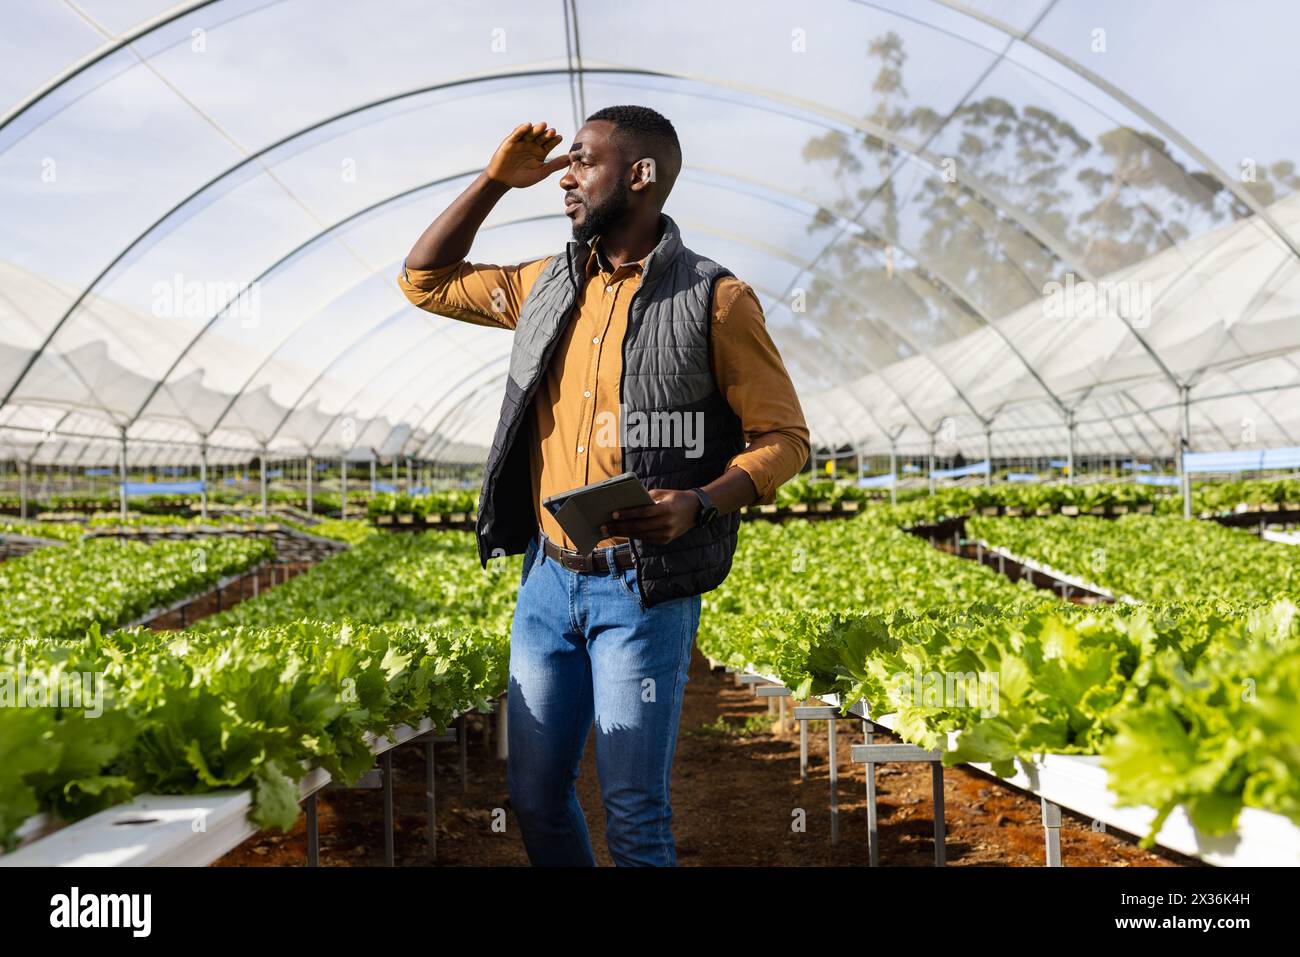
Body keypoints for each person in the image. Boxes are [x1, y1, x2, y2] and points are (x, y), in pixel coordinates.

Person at [399, 106, 809, 866]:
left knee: (635, 811)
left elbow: (786, 440)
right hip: (547, 581)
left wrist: (702, 501)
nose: (566, 177)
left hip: (642, 590)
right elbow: (423, 280)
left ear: (642, 175)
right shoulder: (544, 286)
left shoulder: (716, 300)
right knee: (534, 795)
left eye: (584, 161)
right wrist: (494, 182)